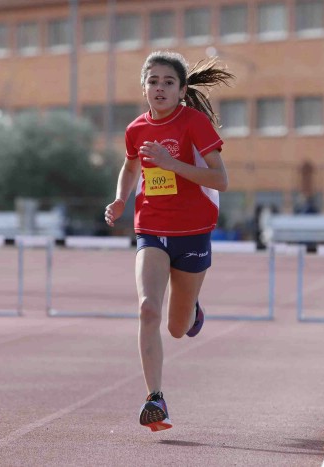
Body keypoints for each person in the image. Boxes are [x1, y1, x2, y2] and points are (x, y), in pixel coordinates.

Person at [104, 51, 233, 432]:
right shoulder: (135, 129)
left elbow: (221, 179)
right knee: (147, 309)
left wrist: (170, 162)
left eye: (168, 82)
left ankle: (193, 310)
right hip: (151, 229)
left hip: (192, 232)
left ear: (181, 90)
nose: (160, 88)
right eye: (153, 81)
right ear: (144, 87)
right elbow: (130, 167)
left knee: (178, 327)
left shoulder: (194, 123)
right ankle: (155, 399)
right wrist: (121, 198)